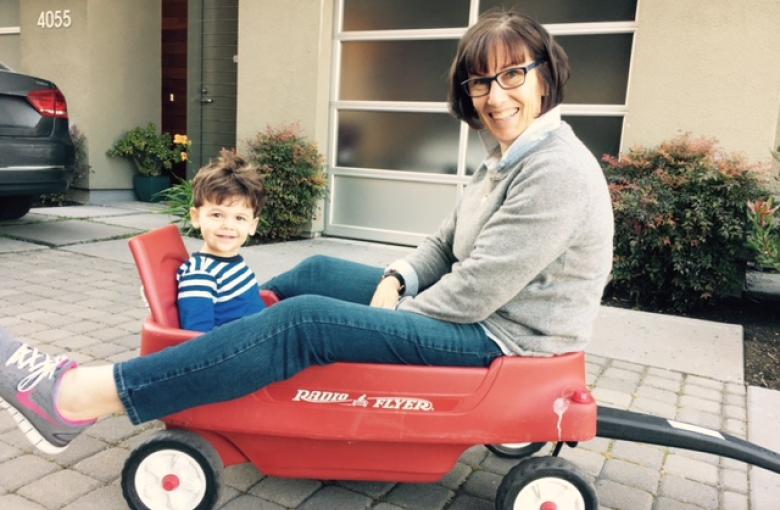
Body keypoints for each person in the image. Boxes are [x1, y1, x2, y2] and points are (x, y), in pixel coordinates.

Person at [0, 9, 613, 455]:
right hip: (475, 314)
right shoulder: (505, 157)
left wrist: (391, 318)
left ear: (544, 76)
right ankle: (230, 354)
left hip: (503, 338)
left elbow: (477, 290)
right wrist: (397, 278)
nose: (493, 96)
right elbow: (442, 246)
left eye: (511, 76)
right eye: (479, 82)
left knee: (309, 322)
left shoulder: (555, 169)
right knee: (316, 274)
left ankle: (77, 397)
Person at [176, 150, 266, 332]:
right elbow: (198, 338)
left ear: (252, 225)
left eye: (239, 218)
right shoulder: (201, 274)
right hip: (240, 353)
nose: (228, 225)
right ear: (196, 217)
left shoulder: (231, 263)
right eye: (217, 215)